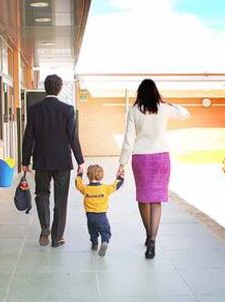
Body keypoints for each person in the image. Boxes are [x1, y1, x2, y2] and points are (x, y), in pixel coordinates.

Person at [118, 79, 190, 259]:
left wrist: (122, 164)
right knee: (156, 201)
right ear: (156, 92)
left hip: (140, 158)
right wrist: (167, 101)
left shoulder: (134, 110)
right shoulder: (163, 108)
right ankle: (152, 240)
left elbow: (128, 139)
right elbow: (184, 114)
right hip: (161, 158)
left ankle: (149, 235)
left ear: (140, 93)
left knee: (143, 199)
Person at [22, 74, 85, 247]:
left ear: (46, 88)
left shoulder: (35, 110)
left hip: (41, 160)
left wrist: (25, 161)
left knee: (42, 193)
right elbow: (73, 137)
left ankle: (44, 228)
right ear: (59, 88)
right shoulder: (68, 110)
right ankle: (57, 238)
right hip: (62, 162)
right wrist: (80, 161)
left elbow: (28, 137)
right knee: (60, 199)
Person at [75, 164, 124, 256]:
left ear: (88, 175)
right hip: (101, 216)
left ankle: (94, 243)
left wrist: (79, 175)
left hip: (90, 216)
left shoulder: (86, 188)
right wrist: (120, 177)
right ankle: (104, 241)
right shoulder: (105, 188)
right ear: (101, 176)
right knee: (105, 230)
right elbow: (116, 186)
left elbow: (78, 185)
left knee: (92, 231)